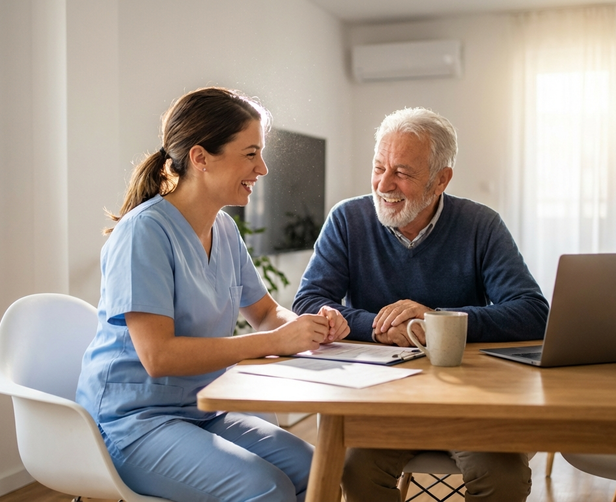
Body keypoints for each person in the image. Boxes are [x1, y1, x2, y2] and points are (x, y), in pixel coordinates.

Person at [76, 87, 350, 502]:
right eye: (250, 153)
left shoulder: (224, 230)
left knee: (319, 471)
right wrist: (274, 342)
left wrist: (309, 328)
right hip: (131, 421)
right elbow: (158, 357)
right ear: (200, 158)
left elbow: (265, 313)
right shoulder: (143, 233)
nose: (263, 168)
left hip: (200, 410)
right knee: (268, 489)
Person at [292, 107, 549, 502]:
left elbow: (533, 312)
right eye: (379, 167)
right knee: (354, 472)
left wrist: (436, 322)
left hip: (468, 398)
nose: (384, 184)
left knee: (503, 479)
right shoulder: (347, 219)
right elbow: (309, 302)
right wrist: (377, 326)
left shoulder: (481, 225)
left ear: (440, 179)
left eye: (402, 173)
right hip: (381, 398)